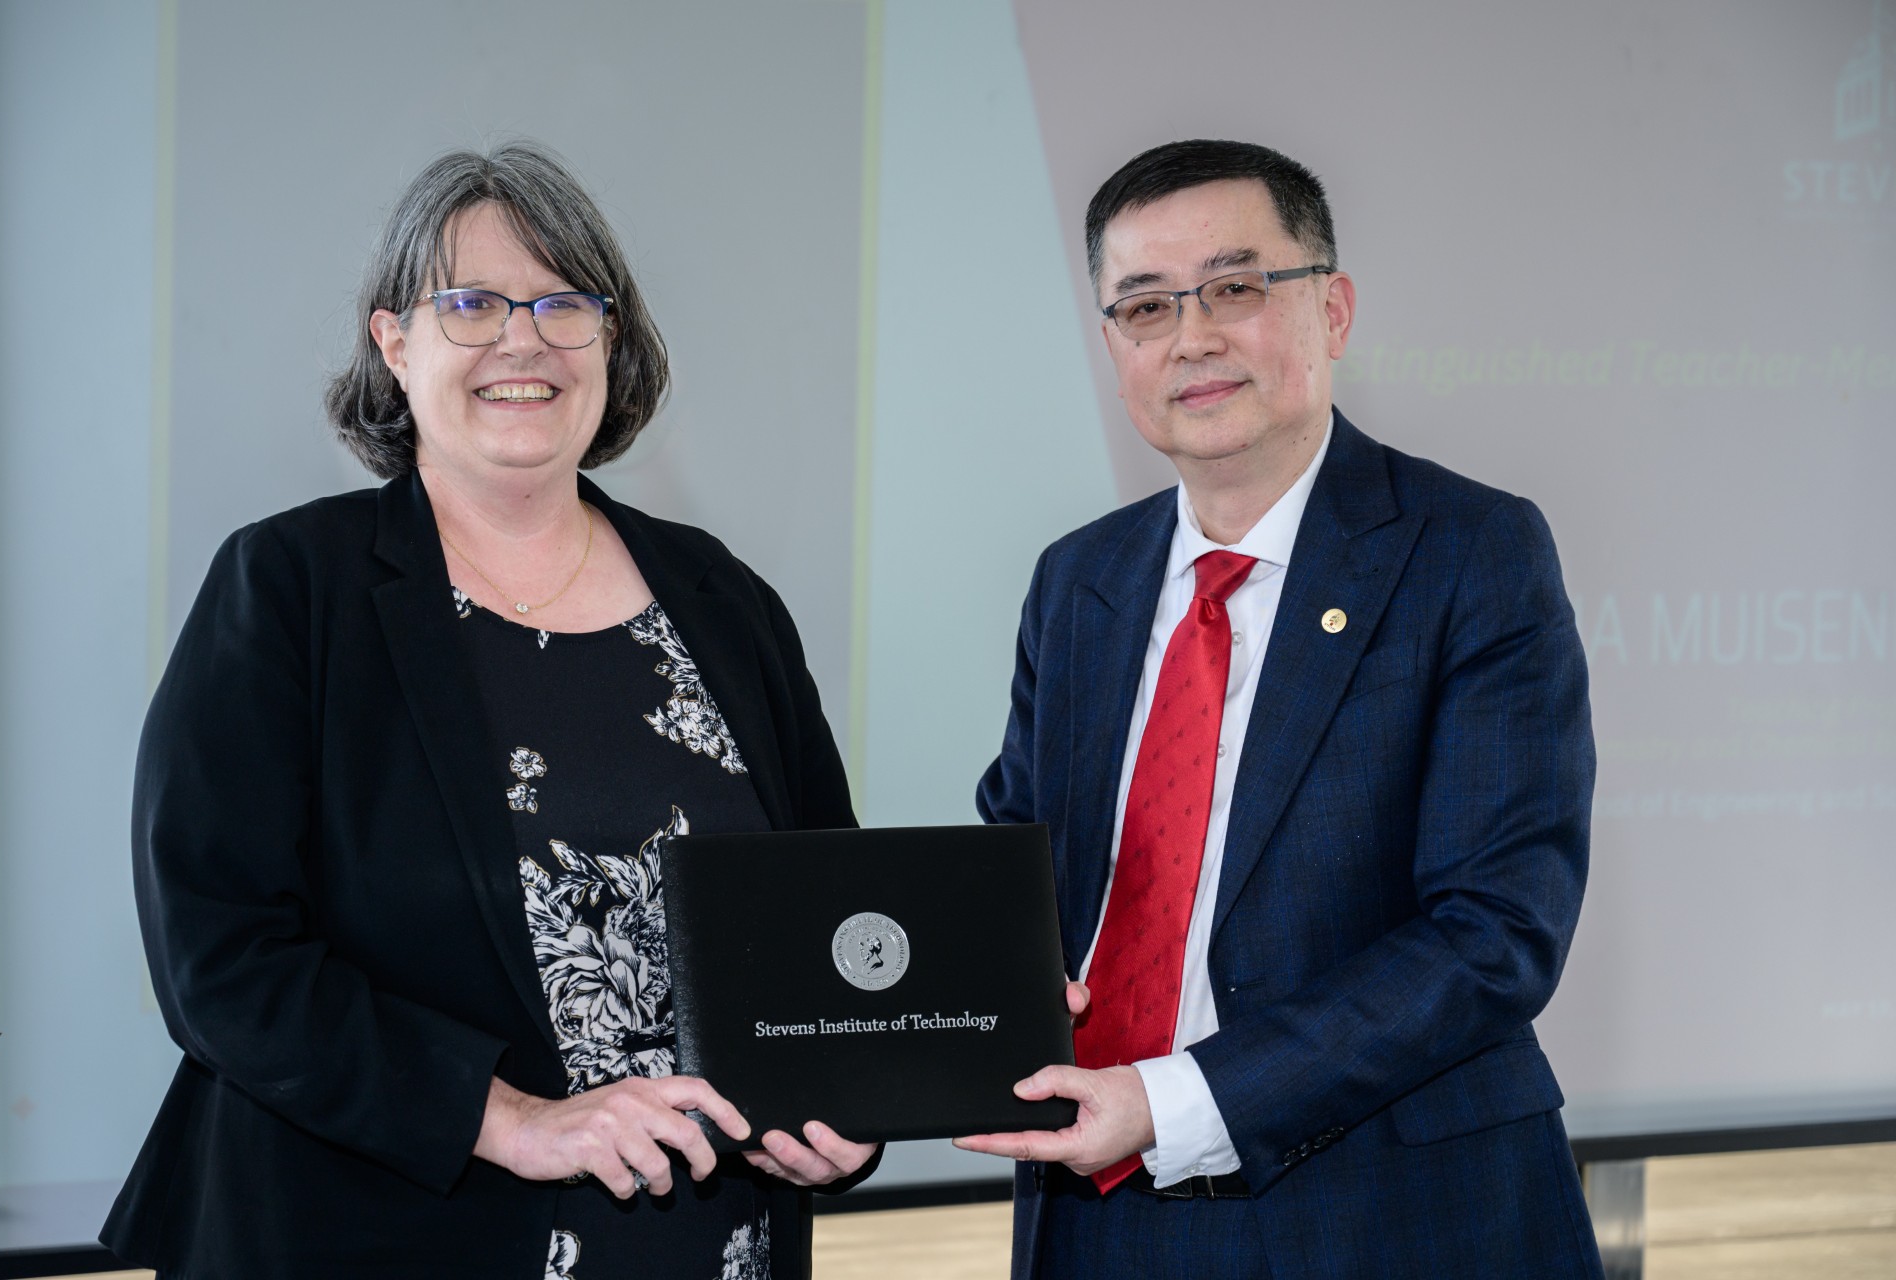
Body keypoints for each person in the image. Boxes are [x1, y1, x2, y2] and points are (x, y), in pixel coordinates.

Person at [103, 142, 876, 1280]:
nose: (525, 339)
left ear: (611, 343)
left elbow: (829, 909)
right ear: (394, 342)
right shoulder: (289, 588)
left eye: (567, 302)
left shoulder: (721, 597)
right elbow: (219, 952)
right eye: (470, 303)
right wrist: (508, 1115)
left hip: (713, 1245)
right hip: (374, 1234)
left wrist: (844, 1100)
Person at [959, 140, 1605, 1278]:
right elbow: (1016, 869)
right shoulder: (1079, 581)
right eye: (1146, 305)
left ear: (1334, 308)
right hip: (1098, 1210)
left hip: (1388, 1213)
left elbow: (1496, 932)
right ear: (1113, 346)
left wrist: (1176, 1098)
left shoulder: (1472, 551)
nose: (1191, 336)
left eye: (1236, 286)